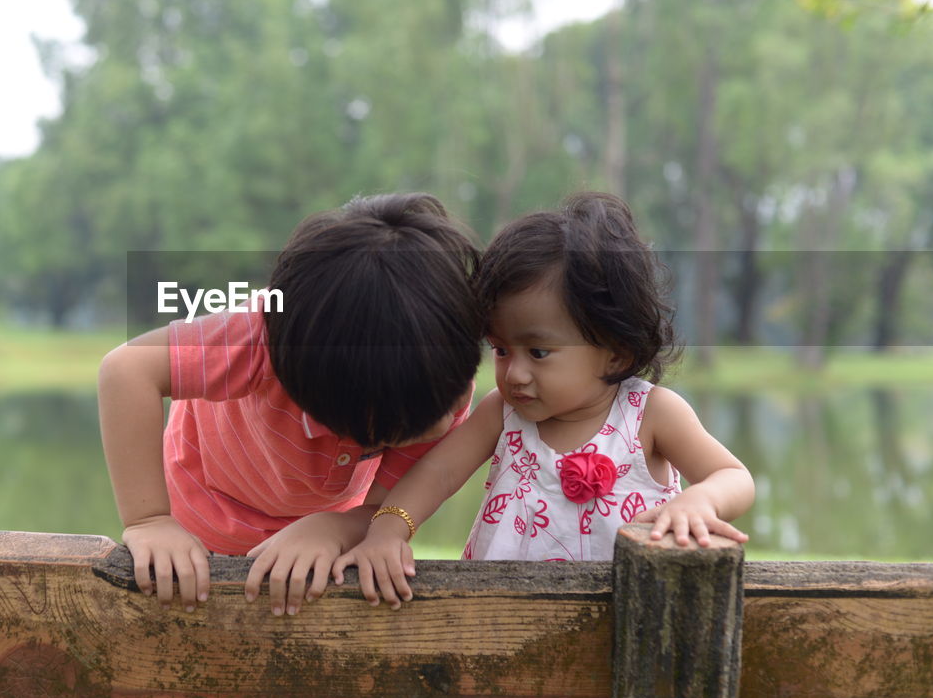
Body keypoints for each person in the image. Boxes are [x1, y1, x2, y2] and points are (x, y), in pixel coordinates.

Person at [332, 192, 754, 608]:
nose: (514, 374)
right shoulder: (502, 412)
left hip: (627, 615)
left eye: (538, 352)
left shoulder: (650, 414)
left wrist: (698, 501)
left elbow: (733, 477)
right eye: (500, 350)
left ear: (616, 350)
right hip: (502, 614)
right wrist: (389, 529)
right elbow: (437, 474)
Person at [98, 192, 483, 616]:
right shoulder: (259, 336)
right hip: (200, 514)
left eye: (397, 434)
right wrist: (149, 521)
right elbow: (127, 370)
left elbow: (386, 508)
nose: (379, 442)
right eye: (360, 431)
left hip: (321, 524)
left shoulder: (436, 382)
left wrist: (334, 527)